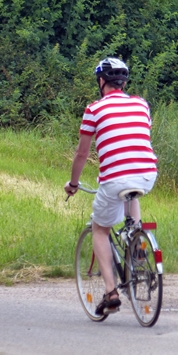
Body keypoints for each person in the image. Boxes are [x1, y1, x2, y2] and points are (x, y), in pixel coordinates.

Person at [64, 57, 158, 315]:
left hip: (115, 178)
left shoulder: (93, 109)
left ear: (101, 81)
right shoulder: (141, 104)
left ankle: (111, 292)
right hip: (147, 174)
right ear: (123, 83)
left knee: (100, 230)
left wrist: (73, 184)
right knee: (131, 192)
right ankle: (136, 241)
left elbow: (82, 154)